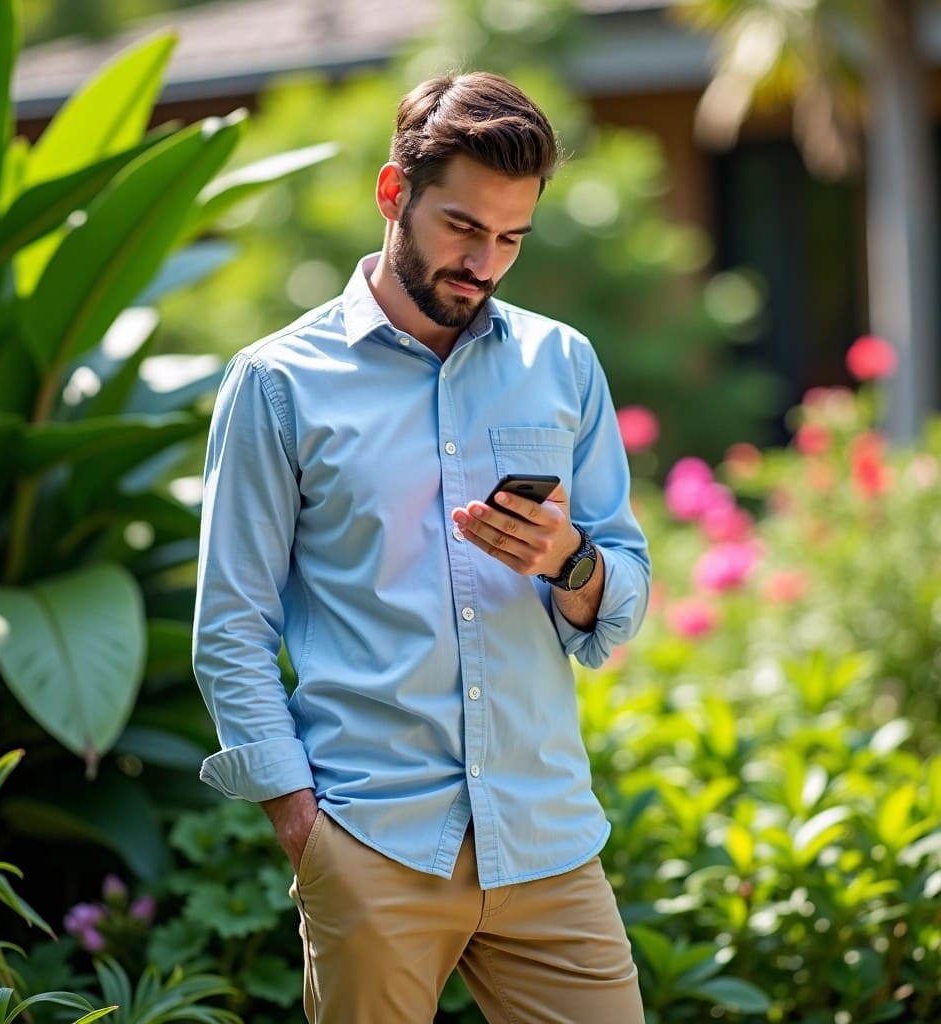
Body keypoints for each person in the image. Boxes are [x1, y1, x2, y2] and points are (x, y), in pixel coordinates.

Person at [193, 70, 651, 1024]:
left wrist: (568, 561)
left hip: (549, 840)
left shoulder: (562, 364)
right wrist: (302, 826)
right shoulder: (278, 383)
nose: (485, 263)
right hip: (374, 844)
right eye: (463, 228)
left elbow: (623, 592)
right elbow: (231, 623)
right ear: (393, 194)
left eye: (511, 239)